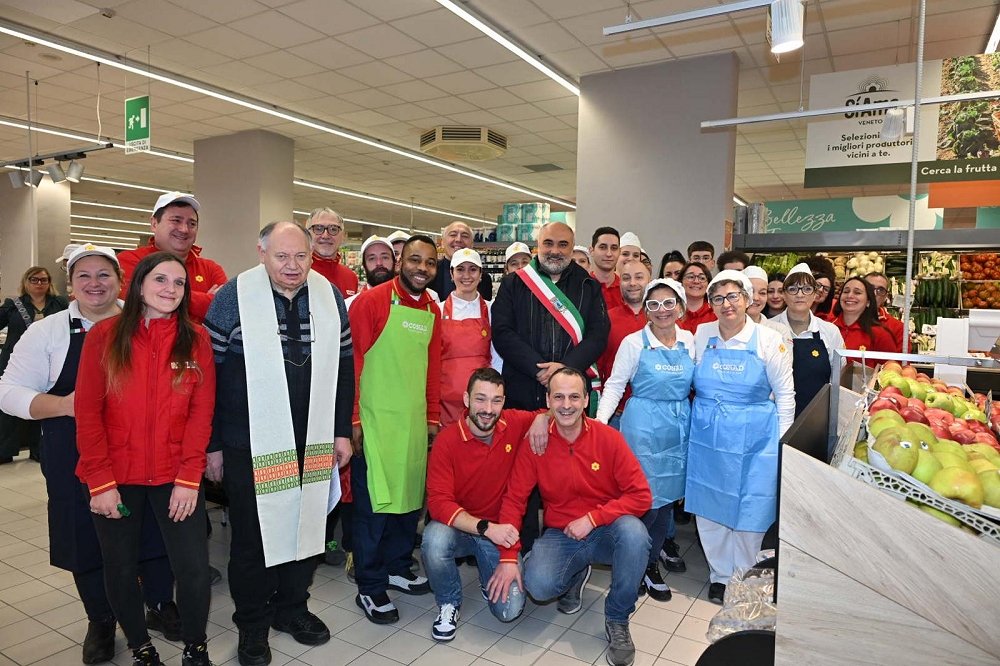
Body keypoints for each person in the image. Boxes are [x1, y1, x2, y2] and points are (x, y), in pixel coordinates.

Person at [0, 245, 180, 665]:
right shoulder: (47, 333)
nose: (95, 284)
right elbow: (7, 393)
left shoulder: (143, 321)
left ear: (121, 281)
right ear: (70, 284)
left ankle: (158, 604)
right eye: (84, 276)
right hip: (71, 447)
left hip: (139, 450)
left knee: (151, 530)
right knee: (84, 535)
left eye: (104, 275)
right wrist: (66, 405)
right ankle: (100, 619)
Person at [203, 221, 354, 666]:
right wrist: (212, 443)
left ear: (313, 255)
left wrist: (341, 429)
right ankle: (251, 624)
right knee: (253, 537)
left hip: (313, 437)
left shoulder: (329, 297)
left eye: (300, 256)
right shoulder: (232, 297)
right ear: (262, 253)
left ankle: (291, 608)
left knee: (306, 528)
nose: (292, 265)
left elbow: (344, 367)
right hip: (249, 442)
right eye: (282, 256)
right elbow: (208, 375)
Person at [75, 251, 216, 666]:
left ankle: (196, 646)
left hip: (177, 475)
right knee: (119, 567)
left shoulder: (196, 339)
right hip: (116, 478)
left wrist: (191, 478)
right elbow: (88, 413)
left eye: (178, 283)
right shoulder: (104, 336)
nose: (170, 289)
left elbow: (200, 415)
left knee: (192, 568)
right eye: (160, 280)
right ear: (138, 285)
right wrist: (100, 482)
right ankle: (141, 647)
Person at [493, 368, 653, 666]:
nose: (566, 405)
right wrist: (506, 556)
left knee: (635, 534)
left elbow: (642, 496)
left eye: (574, 397)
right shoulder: (536, 442)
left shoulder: (609, 438)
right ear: (548, 400)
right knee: (538, 586)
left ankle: (617, 619)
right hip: (562, 533)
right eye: (559, 397)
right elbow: (514, 501)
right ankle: (575, 574)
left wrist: (593, 519)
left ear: (586, 400)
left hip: (606, 529)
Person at [492, 222, 610, 555]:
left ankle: (567, 552)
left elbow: (598, 336)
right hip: (523, 392)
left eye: (562, 244)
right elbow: (502, 332)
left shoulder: (589, 285)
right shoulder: (515, 283)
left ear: (573, 248)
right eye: (548, 243)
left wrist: (564, 371)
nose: (554, 250)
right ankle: (522, 549)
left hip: (569, 401)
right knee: (520, 481)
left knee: (569, 478)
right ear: (537, 246)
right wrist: (539, 369)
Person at [348, 234, 442, 624]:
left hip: (413, 423)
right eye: (415, 260)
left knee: (408, 505)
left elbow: (432, 366)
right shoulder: (371, 302)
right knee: (374, 509)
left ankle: (398, 566)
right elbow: (350, 362)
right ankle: (370, 585)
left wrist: (433, 415)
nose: (422, 268)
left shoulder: (432, 309)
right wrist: (352, 419)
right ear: (400, 260)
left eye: (430, 263)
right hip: (375, 421)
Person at [688, 270, 794, 604]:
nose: (726, 304)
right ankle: (720, 574)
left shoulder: (768, 339)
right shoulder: (702, 333)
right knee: (710, 507)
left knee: (751, 508)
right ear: (711, 304)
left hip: (756, 439)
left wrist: (782, 444)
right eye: (718, 298)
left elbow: (786, 396)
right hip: (709, 436)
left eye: (733, 296)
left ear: (747, 299)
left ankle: (745, 575)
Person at [423, 368, 546, 641]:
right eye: (480, 399)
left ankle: (486, 575)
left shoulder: (512, 423)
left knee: (509, 611)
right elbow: (438, 504)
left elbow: (553, 411)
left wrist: (542, 419)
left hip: (497, 536)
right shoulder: (446, 442)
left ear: (504, 402)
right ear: (466, 399)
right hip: (467, 528)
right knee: (433, 539)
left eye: (496, 400)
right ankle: (448, 603)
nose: (488, 409)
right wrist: (486, 527)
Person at [596, 278, 695, 603]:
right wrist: (599, 426)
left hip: (678, 428)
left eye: (669, 303)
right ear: (647, 311)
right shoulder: (633, 343)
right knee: (642, 503)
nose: (662, 310)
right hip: (643, 427)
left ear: (680, 306)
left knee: (665, 503)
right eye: (654, 305)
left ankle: (650, 566)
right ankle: (632, 565)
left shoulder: (689, 340)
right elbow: (614, 385)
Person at [117, 193, 227, 324]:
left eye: (192, 224)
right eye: (176, 220)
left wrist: (159, 297)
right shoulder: (129, 260)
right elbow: (132, 303)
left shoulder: (210, 269)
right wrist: (206, 301)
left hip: (199, 344)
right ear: (154, 224)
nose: (184, 229)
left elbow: (226, 311)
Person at [0, 266, 68, 463]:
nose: (39, 284)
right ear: (26, 282)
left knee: (42, 404)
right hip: (16, 361)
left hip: (50, 361)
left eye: (43, 280)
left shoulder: (59, 304)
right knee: (10, 406)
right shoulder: (12, 305)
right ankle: (5, 450)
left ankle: (37, 448)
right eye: (34, 280)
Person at [771, 264, 844, 417]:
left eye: (807, 289)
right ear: (784, 294)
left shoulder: (830, 331)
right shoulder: (770, 330)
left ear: (815, 294)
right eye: (793, 289)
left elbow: (839, 378)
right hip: (774, 415)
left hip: (817, 417)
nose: (800, 294)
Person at [437, 248, 496, 428]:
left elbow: (497, 356)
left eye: (472, 269)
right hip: (445, 401)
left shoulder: (492, 310)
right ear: (451, 274)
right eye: (460, 269)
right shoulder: (437, 310)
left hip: (482, 399)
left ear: (480, 274)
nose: (466, 275)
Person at [596, 260, 650, 429]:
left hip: (652, 414)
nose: (632, 283)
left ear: (649, 281)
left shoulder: (663, 319)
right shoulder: (606, 319)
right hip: (615, 414)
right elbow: (598, 366)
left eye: (639, 277)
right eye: (626, 278)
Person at [830, 277, 898, 362]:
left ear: (868, 301)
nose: (850, 295)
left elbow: (891, 370)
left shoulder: (881, 334)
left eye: (857, 292)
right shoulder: (828, 328)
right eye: (846, 291)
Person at [431, 221, 493, 301]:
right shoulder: (431, 273)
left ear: (472, 244)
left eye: (465, 236)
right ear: (442, 242)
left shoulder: (484, 279)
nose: (458, 239)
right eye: (453, 235)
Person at [305, 208, 358, 299]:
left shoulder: (350, 277)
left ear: (343, 236)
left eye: (333, 229)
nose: (325, 235)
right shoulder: (299, 274)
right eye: (318, 229)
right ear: (307, 235)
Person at [743, 267, 793, 343]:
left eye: (762, 293)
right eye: (751, 291)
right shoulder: (724, 327)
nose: (755, 298)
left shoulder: (779, 330)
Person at [346, 235, 396, 310]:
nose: (379, 263)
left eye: (385, 257)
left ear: (394, 262)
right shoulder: (349, 306)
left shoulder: (408, 303)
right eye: (372, 258)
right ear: (364, 265)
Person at [864, 272, 905, 350]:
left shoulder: (898, 328)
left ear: (885, 297)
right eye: (869, 288)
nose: (874, 293)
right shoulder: (846, 320)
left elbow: (901, 361)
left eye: (881, 290)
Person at [588, 226, 624, 312]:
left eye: (614, 248)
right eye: (603, 247)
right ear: (592, 251)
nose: (609, 253)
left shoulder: (626, 288)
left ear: (619, 251)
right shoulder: (583, 287)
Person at [676, 261, 715, 334]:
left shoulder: (716, 312)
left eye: (702, 278)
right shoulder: (671, 311)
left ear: (708, 284)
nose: (696, 281)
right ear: (681, 281)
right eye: (691, 277)